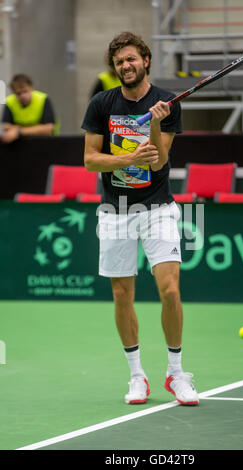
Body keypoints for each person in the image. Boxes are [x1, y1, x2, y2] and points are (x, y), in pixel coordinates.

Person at [82, 32, 199, 406]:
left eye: (131, 59)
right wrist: (125, 160)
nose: (125, 66)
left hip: (158, 207)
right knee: (121, 294)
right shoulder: (101, 104)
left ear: (145, 60)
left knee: (169, 290)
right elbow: (89, 160)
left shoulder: (167, 104)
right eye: (119, 62)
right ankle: (136, 376)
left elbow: (159, 161)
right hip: (115, 210)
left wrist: (153, 123)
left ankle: (176, 373)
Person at [1, 74, 57, 144]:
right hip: (19, 146)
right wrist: (37, 129)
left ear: (31, 88)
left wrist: (18, 131)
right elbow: (6, 127)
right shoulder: (10, 102)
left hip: (44, 144)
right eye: (18, 93)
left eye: (25, 91)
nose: (22, 96)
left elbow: (48, 129)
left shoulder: (43, 99)